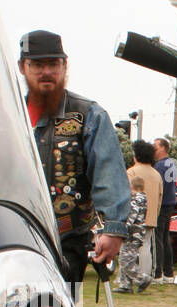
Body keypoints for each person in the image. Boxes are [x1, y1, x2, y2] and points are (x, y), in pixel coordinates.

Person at [18, 30, 129, 284]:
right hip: (14, 238)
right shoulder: (7, 113)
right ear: (22, 67)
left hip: (67, 241)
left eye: (53, 64)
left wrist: (113, 228)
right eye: (37, 64)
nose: (46, 71)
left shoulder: (88, 114)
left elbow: (108, 171)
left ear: (64, 65)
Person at [126, 140, 163, 284]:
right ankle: (145, 276)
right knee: (146, 246)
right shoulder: (156, 174)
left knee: (129, 247)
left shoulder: (132, 171)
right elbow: (160, 197)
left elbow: (126, 193)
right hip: (151, 216)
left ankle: (129, 277)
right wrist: (155, 214)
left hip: (133, 216)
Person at [115, 178, 151, 293]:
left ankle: (143, 278)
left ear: (132, 186)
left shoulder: (135, 200)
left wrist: (122, 228)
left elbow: (131, 216)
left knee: (125, 260)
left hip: (132, 233)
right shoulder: (143, 199)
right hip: (137, 234)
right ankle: (125, 285)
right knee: (129, 258)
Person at [152, 138, 177, 281]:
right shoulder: (171, 163)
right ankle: (168, 272)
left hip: (161, 204)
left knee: (158, 239)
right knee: (165, 238)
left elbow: (158, 186)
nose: (153, 149)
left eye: (155, 146)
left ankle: (158, 273)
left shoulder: (160, 166)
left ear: (163, 148)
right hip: (170, 203)